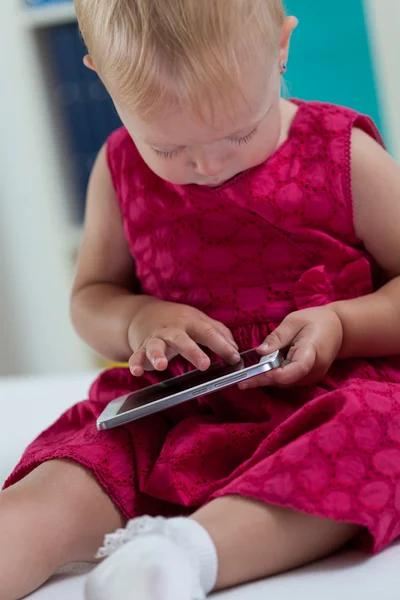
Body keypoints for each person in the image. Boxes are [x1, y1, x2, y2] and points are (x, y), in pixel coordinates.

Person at [2, 0, 400, 598]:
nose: (208, 166)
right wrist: (138, 317)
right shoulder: (118, 169)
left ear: (282, 48)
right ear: (102, 80)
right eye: (168, 148)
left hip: (331, 396)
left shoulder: (341, 155)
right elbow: (91, 297)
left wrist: (342, 323)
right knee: (72, 469)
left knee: (379, 435)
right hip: (173, 407)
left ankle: (186, 554)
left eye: (239, 133)